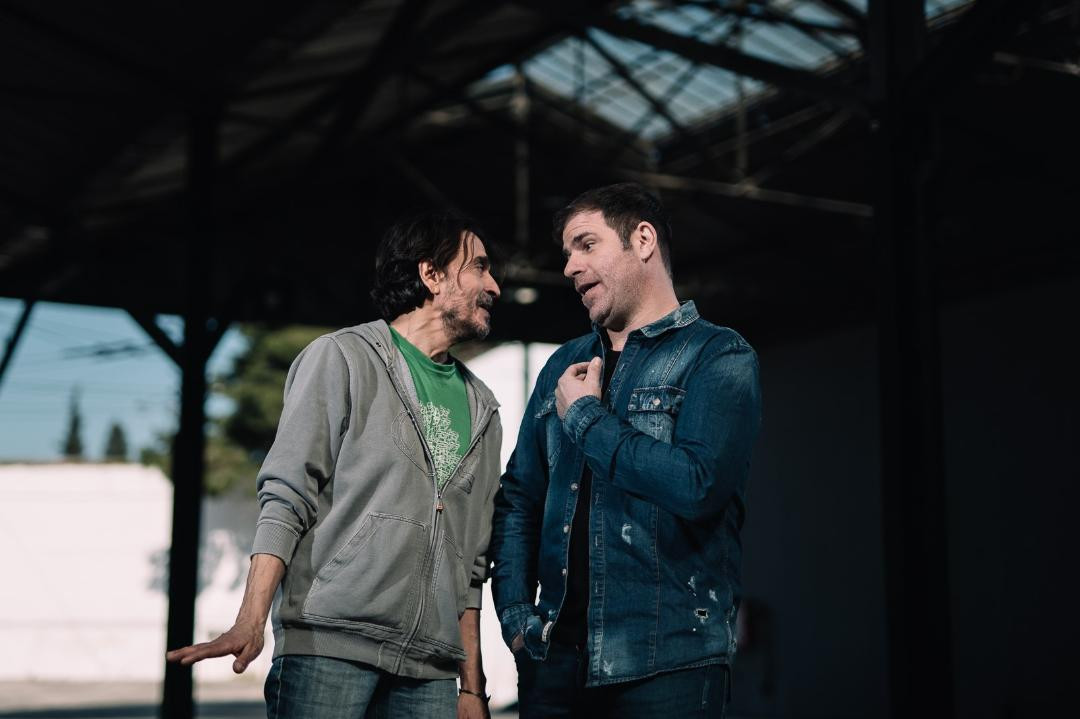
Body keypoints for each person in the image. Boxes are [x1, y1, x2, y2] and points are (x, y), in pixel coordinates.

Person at [167, 213, 503, 719]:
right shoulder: (342, 358)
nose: (493, 286)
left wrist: (472, 688)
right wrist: (251, 619)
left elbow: (471, 565)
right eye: (478, 267)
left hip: (431, 672)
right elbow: (287, 496)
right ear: (431, 274)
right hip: (328, 649)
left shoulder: (483, 408)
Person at [491, 183, 762, 717]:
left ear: (642, 240)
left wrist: (586, 420)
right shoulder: (562, 366)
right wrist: (518, 620)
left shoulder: (718, 355)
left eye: (586, 245)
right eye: (567, 253)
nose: (569, 266)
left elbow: (697, 486)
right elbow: (520, 499)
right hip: (554, 666)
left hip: (670, 665)